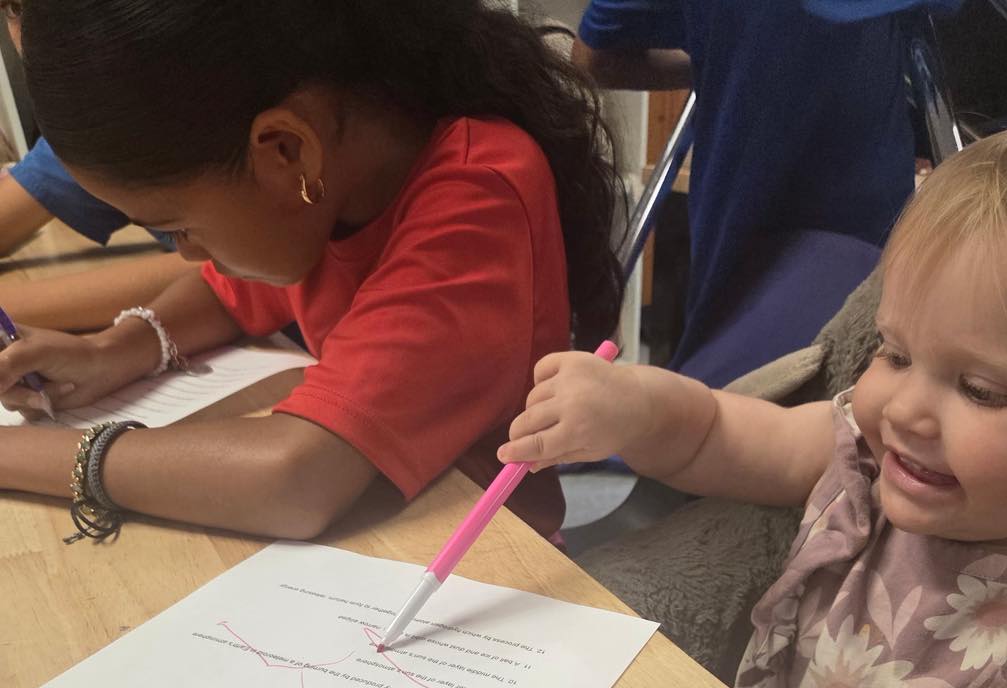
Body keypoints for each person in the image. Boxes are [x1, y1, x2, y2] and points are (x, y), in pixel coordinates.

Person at [498, 112, 1007, 688]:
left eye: (980, 389)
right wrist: (630, 406)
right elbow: (718, 434)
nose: (905, 407)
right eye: (895, 353)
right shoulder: (865, 461)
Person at [0, 0, 622, 541]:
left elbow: (296, 478)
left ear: (287, 149)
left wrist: (20, 454)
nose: (184, 251)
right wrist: (118, 348)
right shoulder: (326, 187)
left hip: (478, 570)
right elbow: (230, 291)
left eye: (181, 227)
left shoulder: (476, 192)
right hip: (371, 541)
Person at [572, 0, 962, 382]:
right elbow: (595, 57)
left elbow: (595, 57)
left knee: (742, 407)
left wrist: (725, 62)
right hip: (842, 220)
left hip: (752, 216)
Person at [0, 1, 198, 329]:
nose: (45, 40)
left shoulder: (215, 103)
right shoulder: (96, 121)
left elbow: (244, 269)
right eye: (17, 8)